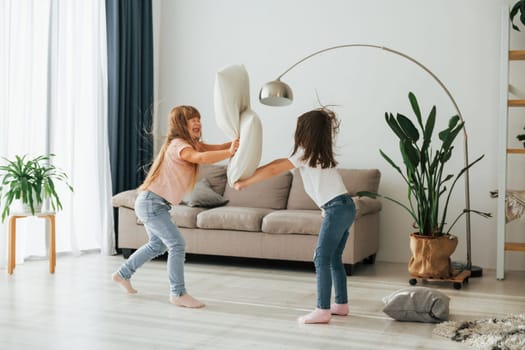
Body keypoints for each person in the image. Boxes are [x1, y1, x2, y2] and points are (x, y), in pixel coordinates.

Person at [233, 107, 355, 324]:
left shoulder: (305, 156)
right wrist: (248, 173)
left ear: (305, 133)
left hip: (335, 208)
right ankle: (341, 304)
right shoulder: (319, 156)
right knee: (334, 258)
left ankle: (323, 310)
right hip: (346, 206)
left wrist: (245, 182)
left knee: (321, 258)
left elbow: (273, 169)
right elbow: (274, 165)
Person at [112, 105, 239, 308]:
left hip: (154, 204)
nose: (197, 122)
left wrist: (234, 145)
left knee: (157, 245)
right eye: (192, 119)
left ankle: (123, 274)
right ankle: (177, 293)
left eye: (199, 118)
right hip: (151, 203)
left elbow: (213, 148)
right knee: (177, 245)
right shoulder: (179, 145)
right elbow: (201, 158)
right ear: (181, 124)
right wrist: (229, 151)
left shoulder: (193, 144)